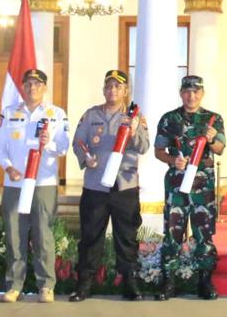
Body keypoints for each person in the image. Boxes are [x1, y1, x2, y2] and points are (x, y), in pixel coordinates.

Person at [69, 69, 149, 302]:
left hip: (125, 186)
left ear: (125, 91)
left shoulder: (135, 116)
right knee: (90, 236)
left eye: (117, 86)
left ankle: (130, 283)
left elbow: (144, 146)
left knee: (127, 237)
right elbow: (78, 142)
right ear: (104, 90)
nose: (112, 90)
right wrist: (86, 159)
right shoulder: (91, 115)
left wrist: (133, 130)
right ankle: (84, 284)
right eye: (109, 86)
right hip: (96, 186)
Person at [0, 68, 70, 303]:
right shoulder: (9, 113)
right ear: (22, 87)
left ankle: (46, 286)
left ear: (45, 87)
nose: (32, 88)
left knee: (42, 235)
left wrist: (49, 144)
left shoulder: (56, 113)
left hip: (43, 183)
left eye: (37, 84)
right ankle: (14, 286)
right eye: (28, 83)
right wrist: (8, 167)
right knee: (14, 235)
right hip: (15, 183)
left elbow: (64, 147)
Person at [154, 75, 225, 300]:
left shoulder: (213, 119)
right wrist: (172, 161)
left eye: (195, 92)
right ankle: (168, 282)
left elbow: (220, 148)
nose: (191, 96)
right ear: (181, 93)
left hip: (203, 186)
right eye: (187, 91)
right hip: (176, 185)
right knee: (172, 233)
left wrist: (212, 139)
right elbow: (158, 151)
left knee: (204, 233)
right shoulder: (169, 119)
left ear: (202, 94)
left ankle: (204, 281)